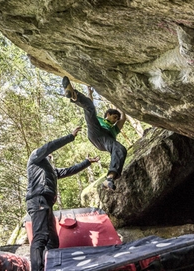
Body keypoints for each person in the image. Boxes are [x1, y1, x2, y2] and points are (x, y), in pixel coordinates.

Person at [25, 126, 99, 271]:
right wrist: (70, 137)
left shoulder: (50, 170)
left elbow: (68, 171)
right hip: (37, 199)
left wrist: (87, 163)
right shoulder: (35, 157)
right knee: (40, 236)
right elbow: (49, 146)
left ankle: (51, 267)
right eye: (49, 155)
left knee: (53, 240)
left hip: (46, 203)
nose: (51, 157)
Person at [62, 76, 127, 191]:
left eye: (117, 118)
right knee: (90, 108)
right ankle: (73, 95)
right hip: (95, 131)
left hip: (106, 139)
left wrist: (119, 102)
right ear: (107, 115)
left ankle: (110, 179)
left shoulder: (114, 128)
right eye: (114, 117)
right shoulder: (100, 120)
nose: (115, 120)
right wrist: (89, 92)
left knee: (120, 148)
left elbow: (123, 118)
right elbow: (90, 104)